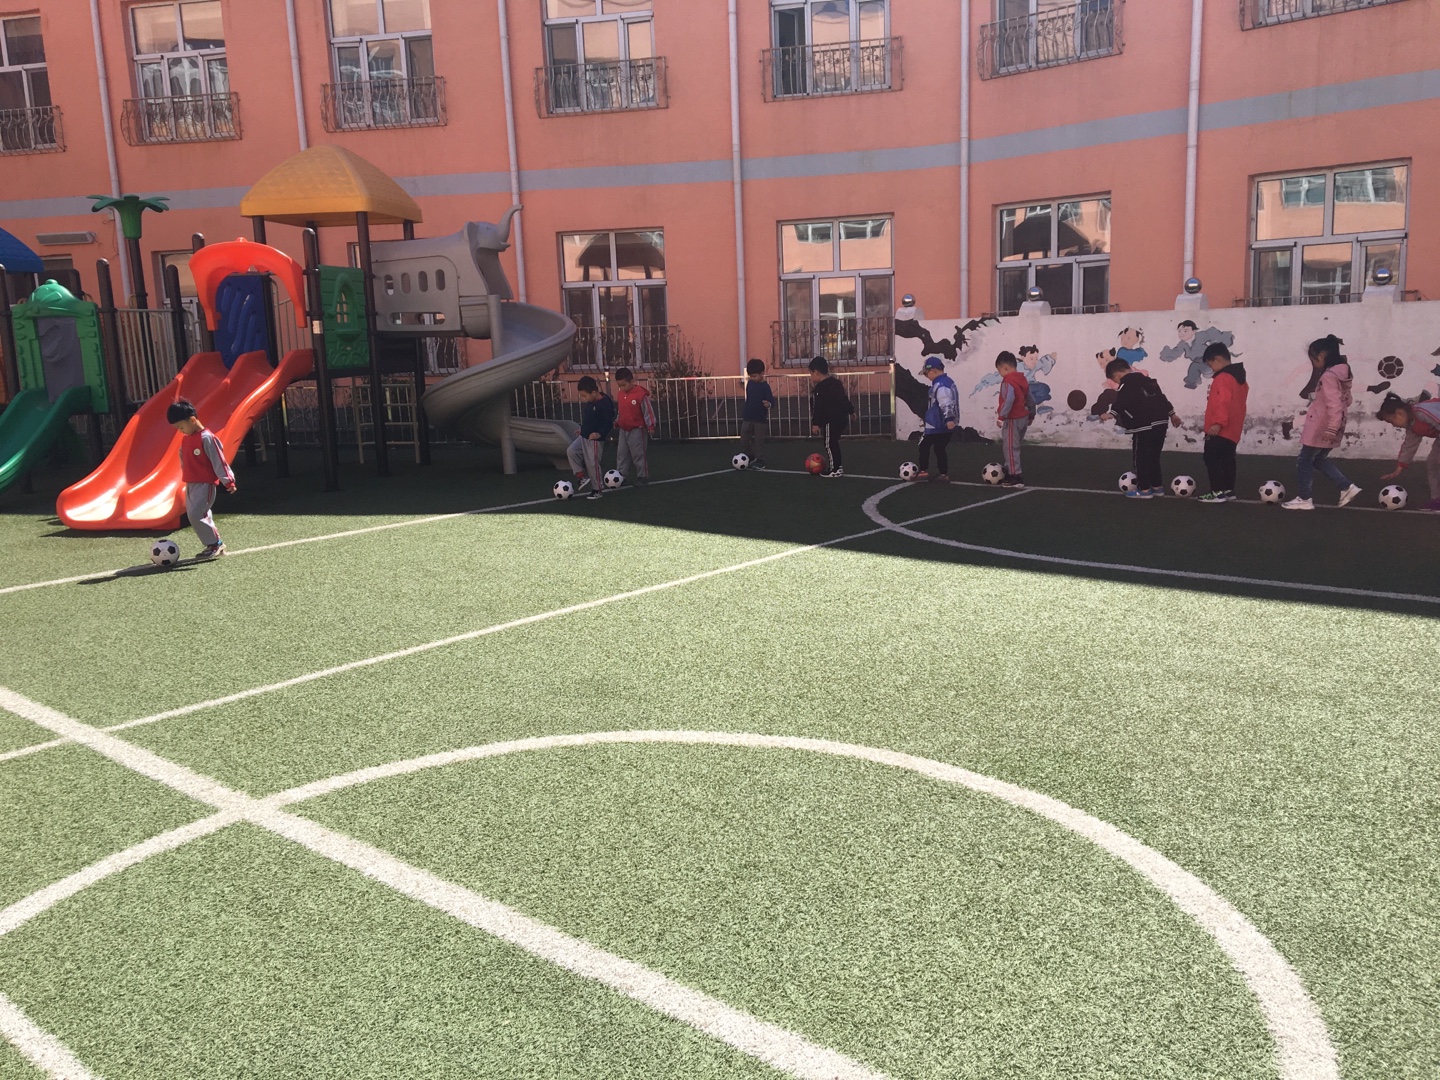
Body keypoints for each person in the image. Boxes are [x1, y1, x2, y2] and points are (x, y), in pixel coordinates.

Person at [1283, 335, 1361, 510]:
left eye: (1313, 360)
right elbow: (1346, 401)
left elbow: (1335, 404)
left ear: (1321, 356)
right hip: (1334, 425)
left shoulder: (1328, 377)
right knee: (1317, 460)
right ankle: (1346, 486)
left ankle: (1304, 498)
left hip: (1322, 426)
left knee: (1304, 460)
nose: (1313, 364)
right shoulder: (1343, 375)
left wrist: (1331, 428)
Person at [1101, 358, 1181, 499]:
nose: (1117, 383)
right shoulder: (1148, 381)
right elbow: (1162, 398)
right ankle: (1157, 487)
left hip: (1144, 425)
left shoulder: (1126, 385)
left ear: (1118, 375)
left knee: (1141, 458)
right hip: (1161, 423)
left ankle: (1144, 489)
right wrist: (1172, 414)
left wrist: (1111, 414)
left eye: (1115, 380)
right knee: (1154, 457)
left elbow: (1121, 402)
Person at [167, 399, 236, 559]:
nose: (181, 431)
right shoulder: (186, 439)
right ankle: (213, 544)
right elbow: (184, 458)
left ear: (192, 420)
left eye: (181, 427)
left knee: (196, 513)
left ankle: (215, 543)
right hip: (191, 483)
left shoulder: (207, 438)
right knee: (195, 514)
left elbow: (219, 460)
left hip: (205, 484)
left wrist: (228, 480)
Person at [1198, 342, 1248, 503]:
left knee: (1211, 457)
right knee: (1228, 459)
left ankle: (1217, 492)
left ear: (1217, 359)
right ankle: (1228, 491)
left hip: (1220, 429)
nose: (1211, 369)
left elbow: (1223, 401)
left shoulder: (1223, 378)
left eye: (1210, 364)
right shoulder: (1240, 379)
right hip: (1233, 429)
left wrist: (1218, 423)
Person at [1377, 392, 1440, 511]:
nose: (1394, 425)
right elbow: (1409, 445)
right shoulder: (1412, 425)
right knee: (1432, 463)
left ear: (1399, 413)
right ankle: (1437, 500)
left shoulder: (1423, 412)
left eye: (1391, 421)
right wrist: (1399, 469)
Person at [567, 375, 615, 500]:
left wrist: (599, 434)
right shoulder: (591, 401)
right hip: (584, 435)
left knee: (592, 463)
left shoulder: (605, 404)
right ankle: (581, 476)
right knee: (571, 451)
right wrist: (582, 429)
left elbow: (608, 423)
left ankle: (597, 489)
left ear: (594, 392)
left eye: (585, 396)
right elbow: (589, 419)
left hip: (594, 439)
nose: (584, 399)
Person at [809, 356, 853, 477]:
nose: (811, 376)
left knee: (829, 443)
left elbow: (818, 407)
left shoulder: (819, 389)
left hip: (830, 420)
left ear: (816, 372)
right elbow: (844, 398)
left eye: (811, 373)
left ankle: (835, 468)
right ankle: (837, 467)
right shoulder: (836, 383)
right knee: (833, 441)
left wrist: (815, 423)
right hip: (842, 418)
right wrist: (851, 411)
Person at [915, 356, 958, 481]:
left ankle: (923, 471)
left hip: (937, 424)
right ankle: (943, 473)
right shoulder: (947, 382)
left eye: (926, 373)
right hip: (942, 424)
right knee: (939, 448)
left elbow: (946, 403)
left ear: (933, 370)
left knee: (924, 445)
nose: (926, 376)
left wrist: (948, 419)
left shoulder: (941, 385)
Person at [612, 367, 656, 486]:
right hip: (623, 429)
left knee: (638, 454)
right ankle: (621, 476)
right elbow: (621, 410)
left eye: (624, 385)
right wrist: (618, 421)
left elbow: (648, 411)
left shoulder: (640, 394)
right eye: (619, 386)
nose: (622, 388)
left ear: (632, 381)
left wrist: (651, 425)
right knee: (621, 454)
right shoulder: (621, 394)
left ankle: (642, 476)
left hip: (637, 429)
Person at [994, 350, 1032, 487]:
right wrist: (1032, 414)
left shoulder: (1007, 382)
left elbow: (1009, 399)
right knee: (1014, 445)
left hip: (1012, 419)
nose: (1000, 374)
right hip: (1023, 418)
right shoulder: (1022, 380)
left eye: (999, 371)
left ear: (1005, 368)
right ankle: (1009, 468)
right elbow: (1030, 398)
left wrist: (1001, 417)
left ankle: (1015, 476)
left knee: (1010, 447)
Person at [740, 358, 775, 469]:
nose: (753, 378)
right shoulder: (750, 384)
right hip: (748, 416)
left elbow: (771, 400)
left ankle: (760, 460)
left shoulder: (765, 387)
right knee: (744, 438)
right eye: (751, 376)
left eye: (755, 376)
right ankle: (749, 456)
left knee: (759, 441)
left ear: (762, 373)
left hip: (760, 419)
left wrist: (769, 404)